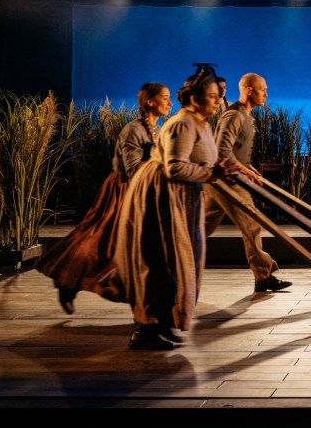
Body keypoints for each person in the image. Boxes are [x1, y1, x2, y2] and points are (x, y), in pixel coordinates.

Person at [96, 70, 258, 350]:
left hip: (182, 197)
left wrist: (225, 170)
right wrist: (210, 174)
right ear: (194, 99)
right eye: (210, 96)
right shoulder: (182, 124)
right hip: (162, 196)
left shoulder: (202, 123)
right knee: (160, 260)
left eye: (216, 96)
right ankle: (146, 328)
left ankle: (164, 321)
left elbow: (209, 159)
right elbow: (174, 167)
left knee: (180, 262)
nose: (216, 100)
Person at [37, 82, 172, 315]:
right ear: (150, 101)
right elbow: (131, 169)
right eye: (165, 97)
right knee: (101, 240)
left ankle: (142, 299)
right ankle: (68, 279)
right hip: (123, 191)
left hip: (146, 191)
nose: (170, 103)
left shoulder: (160, 131)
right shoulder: (133, 130)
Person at [202, 73, 291, 293]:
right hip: (226, 181)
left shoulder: (246, 116)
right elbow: (222, 152)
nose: (266, 94)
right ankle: (264, 275)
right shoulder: (234, 116)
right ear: (250, 90)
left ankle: (169, 254)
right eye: (263, 89)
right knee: (252, 224)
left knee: (200, 228)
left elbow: (236, 153)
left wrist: (249, 169)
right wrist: (246, 173)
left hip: (227, 179)